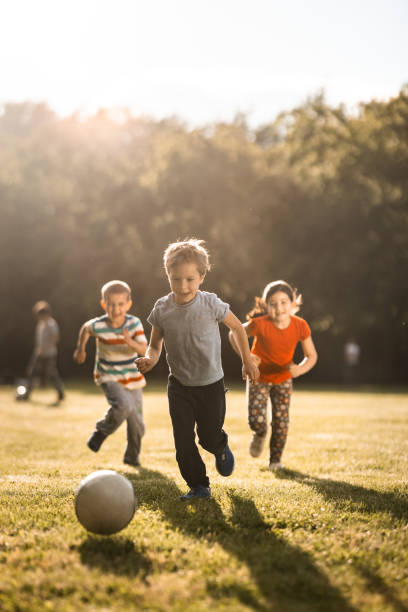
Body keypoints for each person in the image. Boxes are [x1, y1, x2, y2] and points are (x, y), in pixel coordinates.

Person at [136, 239, 259, 501]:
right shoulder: (162, 309)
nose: (183, 286)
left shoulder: (211, 304)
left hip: (211, 385)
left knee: (208, 437)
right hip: (179, 386)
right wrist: (149, 359)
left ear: (202, 276)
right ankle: (199, 486)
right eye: (176, 278)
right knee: (183, 442)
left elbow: (237, 328)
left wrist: (247, 360)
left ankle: (220, 447)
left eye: (190, 279)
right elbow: (155, 345)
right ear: (168, 274)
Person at [229, 280, 317, 471]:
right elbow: (234, 334)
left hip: (283, 379)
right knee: (257, 420)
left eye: (284, 302)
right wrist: (248, 357)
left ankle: (275, 461)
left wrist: (300, 369)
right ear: (266, 305)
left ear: (293, 303)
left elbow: (312, 356)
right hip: (258, 377)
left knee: (281, 421)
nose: (279, 308)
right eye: (273, 304)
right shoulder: (260, 324)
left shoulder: (300, 325)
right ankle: (259, 434)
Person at [73, 280, 148, 467]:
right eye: (111, 304)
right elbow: (85, 329)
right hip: (108, 375)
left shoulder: (134, 323)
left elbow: (143, 349)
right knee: (123, 406)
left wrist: (129, 341)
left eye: (121, 304)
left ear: (128, 304)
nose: (116, 309)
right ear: (104, 304)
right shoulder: (99, 324)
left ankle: (132, 457)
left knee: (137, 423)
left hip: (132, 377)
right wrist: (80, 349)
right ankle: (101, 431)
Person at [22, 301, 65, 403]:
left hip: (49, 354)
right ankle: (26, 393)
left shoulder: (51, 323)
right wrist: (39, 350)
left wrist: (45, 348)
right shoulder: (41, 324)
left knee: (52, 374)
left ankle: (60, 394)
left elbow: (55, 337)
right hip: (39, 352)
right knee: (32, 372)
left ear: (45, 314)